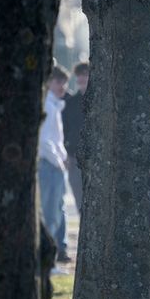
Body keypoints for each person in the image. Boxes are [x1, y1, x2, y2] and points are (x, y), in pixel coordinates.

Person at [39, 65, 70, 270]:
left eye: (64, 82)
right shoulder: (48, 107)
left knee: (57, 211)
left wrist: (63, 157)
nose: (63, 86)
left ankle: (50, 260)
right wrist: (59, 161)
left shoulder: (55, 106)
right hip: (49, 166)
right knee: (50, 214)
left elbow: (57, 141)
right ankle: (47, 262)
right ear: (49, 82)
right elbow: (44, 141)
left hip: (56, 165)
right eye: (58, 81)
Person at [63, 62, 88, 221]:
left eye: (84, 74)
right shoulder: (71, 103)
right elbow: (64, 131)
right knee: (79, 200)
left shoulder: (102, 102)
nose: (81, 78)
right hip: (74, 158)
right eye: (79, 75)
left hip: (96, 158)